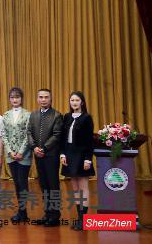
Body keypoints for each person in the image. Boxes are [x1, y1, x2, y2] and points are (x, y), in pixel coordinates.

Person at [26, 88, 62, 227]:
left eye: (46, 97)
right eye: (41, 97)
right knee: (43, 185)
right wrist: (34, 147)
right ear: (37, 99)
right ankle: (47, 214)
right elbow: (29, 132)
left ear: (50, 99)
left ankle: (55, 216)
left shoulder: (57, 115)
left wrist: (44, 148)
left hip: (51, 155)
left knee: (53, 185)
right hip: (38, 155)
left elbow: (57, 135)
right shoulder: (33, 115)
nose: (43, 99)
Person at [60, 91, 94, 231]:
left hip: (82, 155)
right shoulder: (67, 117)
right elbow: (63, 138)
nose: (74, 102)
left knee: (83, 187)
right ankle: (79, 218)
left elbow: (89, 141)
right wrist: (62, 154)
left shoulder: (87, 118)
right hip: (69, 154)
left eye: (77, 100)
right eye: (72, 100)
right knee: (74, 187)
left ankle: (84, 219)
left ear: (82, 102)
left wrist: (88, 159)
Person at [2, 87, 32, 223]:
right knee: (16, 184)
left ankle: (23, 212)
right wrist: (10, 151)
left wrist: (21, 152)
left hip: (23, 155)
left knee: (23, 183)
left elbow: (28, 135)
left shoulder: (28, 114)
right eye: (12, 97)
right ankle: (21, 212)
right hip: (10, 155)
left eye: (17, 97)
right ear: (9, 99)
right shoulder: (6, 115)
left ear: (21, 99)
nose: (15, 99)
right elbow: (4, 134)